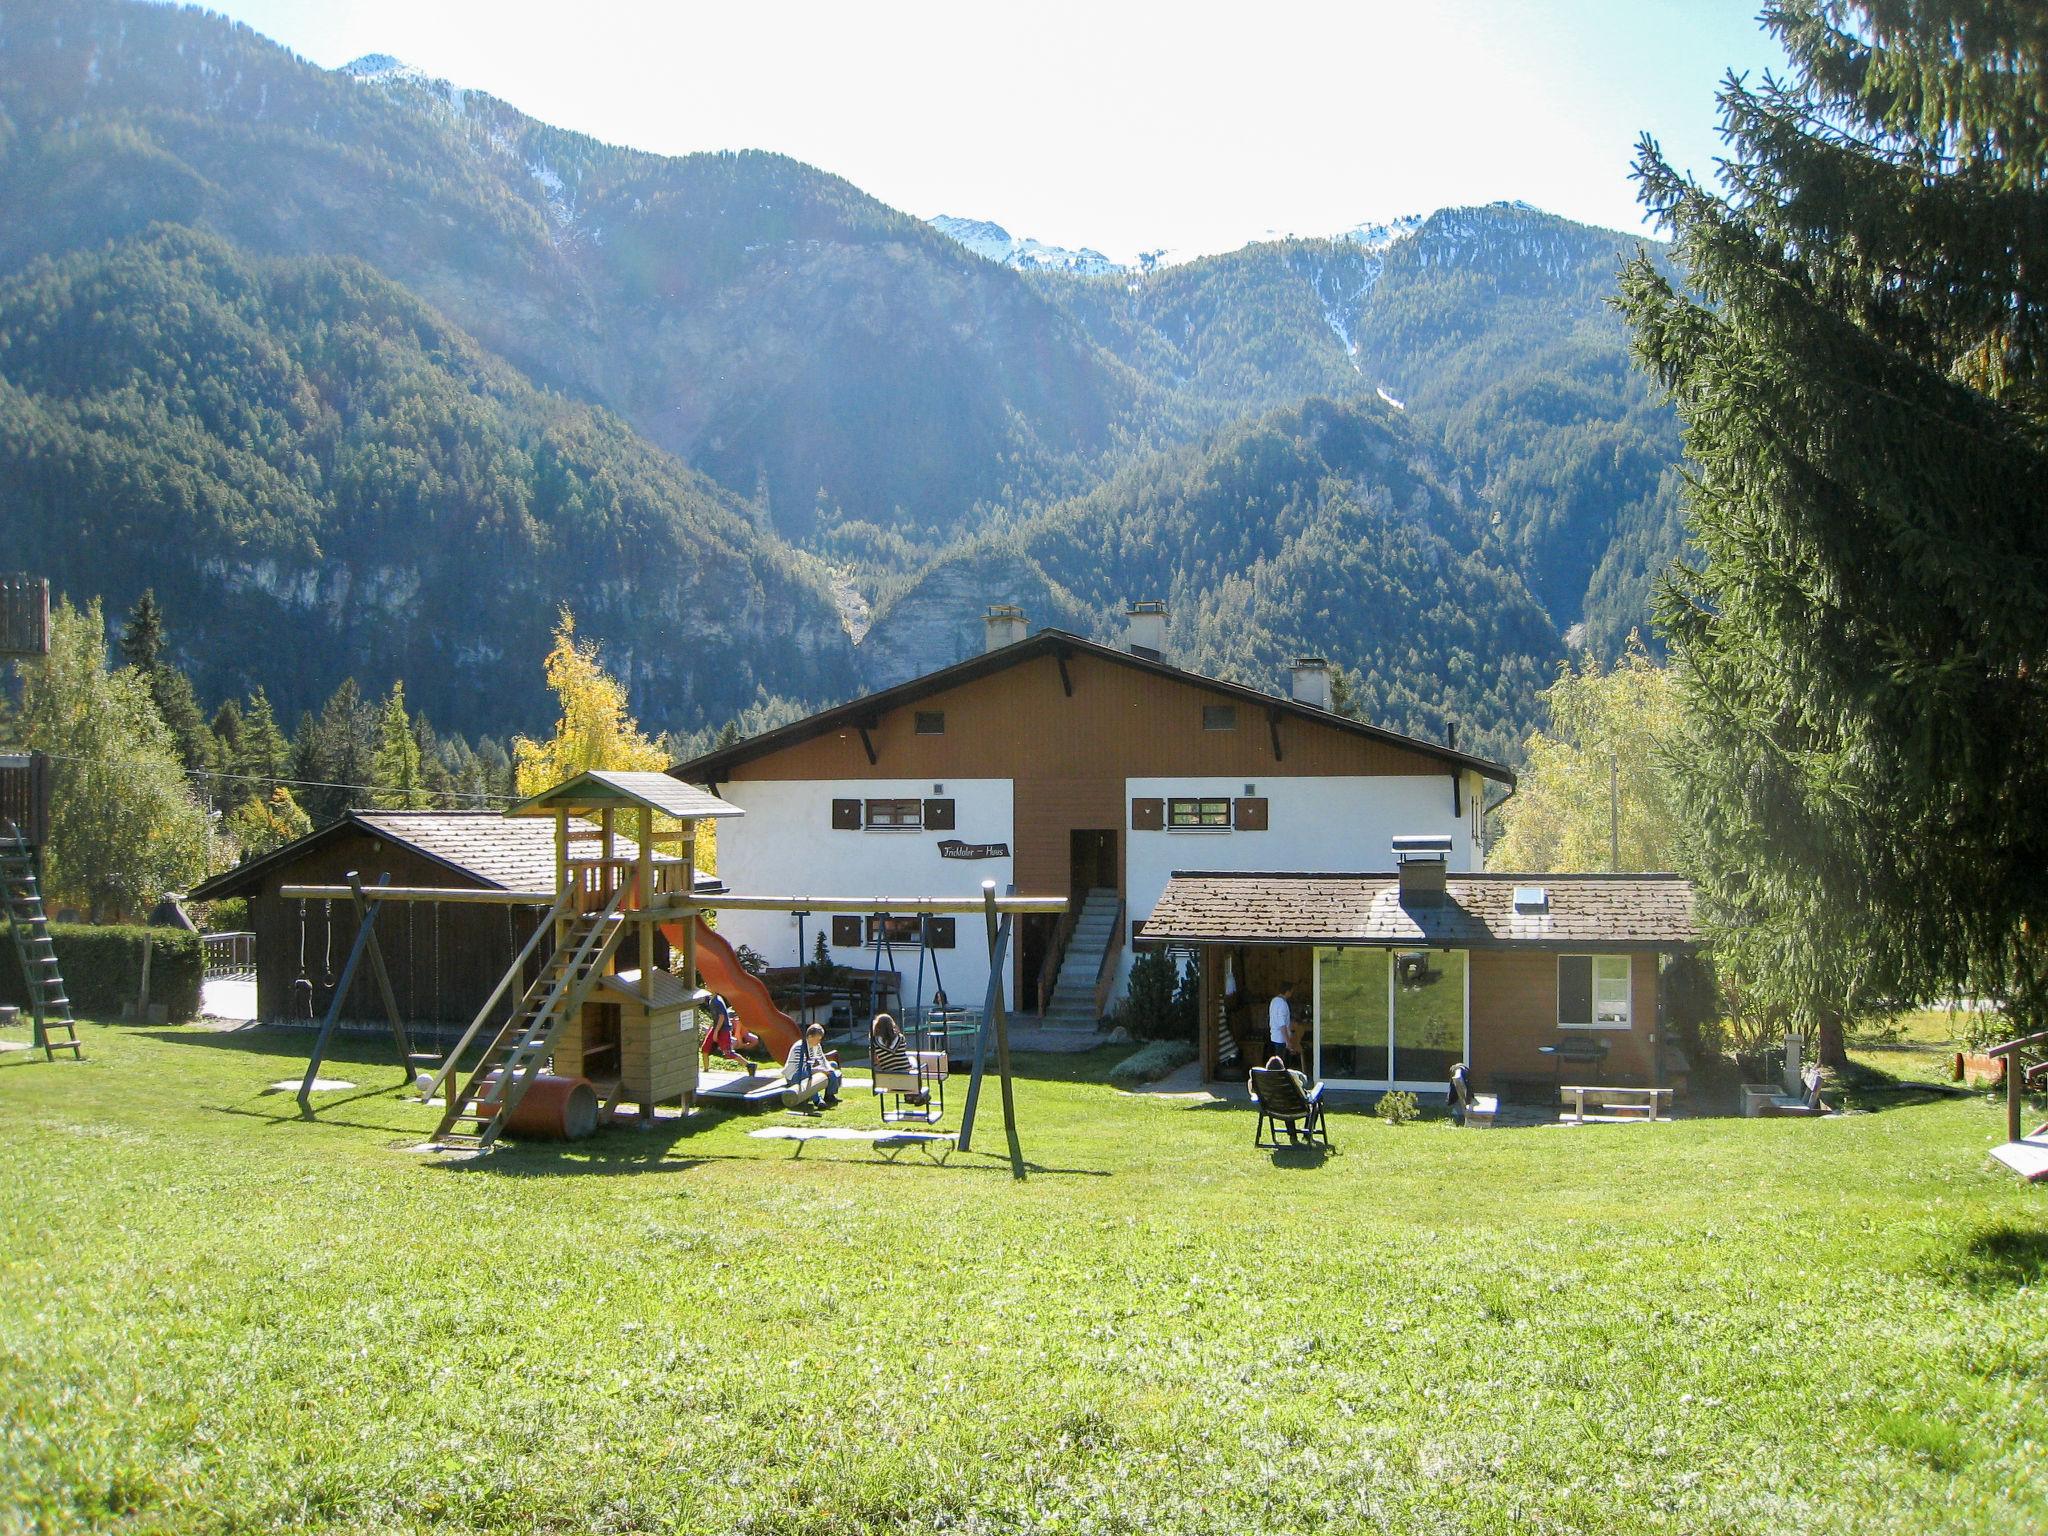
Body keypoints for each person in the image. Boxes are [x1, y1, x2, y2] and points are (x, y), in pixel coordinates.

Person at [868, 1012, 930, 1107]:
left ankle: (911, 1095)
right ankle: (914, 1093)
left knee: (897, 1067)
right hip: (907, 1079)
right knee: (912, 1061)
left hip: (889, 1082)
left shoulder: (874, 1042)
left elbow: (875, 1061)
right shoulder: (900, 1038)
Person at [780, 1021, 841, 1111]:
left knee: (832, 1065)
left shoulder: (817, 1046)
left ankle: (830, 1095)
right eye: (817, 1039)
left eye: (820, 1039)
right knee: (807, 1075)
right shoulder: (800, 1047)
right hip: (794, 1076)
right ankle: (817, 1100)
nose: (819, 1041)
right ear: (810, 1037)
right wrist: (819, 1070)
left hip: (806, 1071)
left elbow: (823, 1060)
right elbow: (800, 1069)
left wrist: (829, 1069)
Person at [1268, 980, 1301, 1072]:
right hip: (1281, 1039)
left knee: (1276, 1063)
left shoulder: (1274, 1001)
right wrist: (1288, 1042)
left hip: (1274, 1036)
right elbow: (1282, 1025)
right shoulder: (1282, 1004)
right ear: (1287, 991)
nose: (1292, 994)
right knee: (1281, 1065)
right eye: (1291, 991)